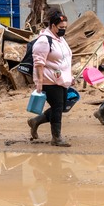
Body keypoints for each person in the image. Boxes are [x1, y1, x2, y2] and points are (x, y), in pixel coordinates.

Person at [29, 10, 74, 147]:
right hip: (49, 80)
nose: (63, 30)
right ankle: (56, 137)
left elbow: (65, 59)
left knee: (61, 108)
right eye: (61, 28)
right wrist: (40, 83)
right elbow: (38, 62)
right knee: (57, 108)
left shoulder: (60, 39)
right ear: (53, 26)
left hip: (62, 80)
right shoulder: (44, 40)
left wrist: (70, 76)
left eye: (65, 28)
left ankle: (36, 121)